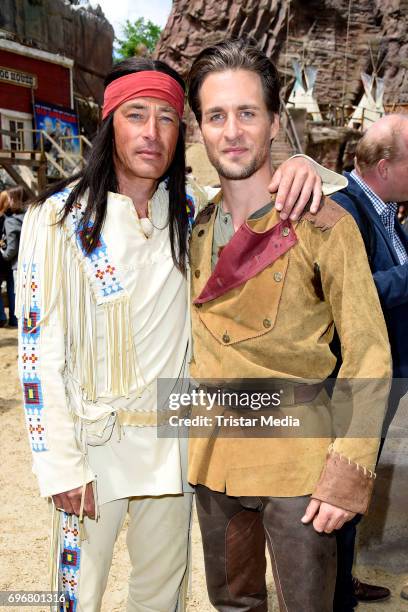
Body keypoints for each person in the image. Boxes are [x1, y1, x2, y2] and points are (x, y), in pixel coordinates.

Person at [16, 56, 336, 612]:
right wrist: (60, 464)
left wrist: (301, 161)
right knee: (75, 597)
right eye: (135, 115)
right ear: (109, 123)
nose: (151, 132)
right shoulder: (56, 220)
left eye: (166, 118)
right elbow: (37, 353)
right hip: (93, 447)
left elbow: (257, 186)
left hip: (172, 441)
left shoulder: (189, 212)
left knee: (162, 594)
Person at [185, 38, 392, 612]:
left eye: (247, 113)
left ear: (275, 123)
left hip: (298, 462)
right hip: (212, 461)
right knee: (234, 606)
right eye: (216, 116)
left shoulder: (324, 222)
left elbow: (370, 352)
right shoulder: (194, 229)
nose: (232, 131)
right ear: (200, 128)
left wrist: (348, 469)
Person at [330, 113, 408, 609]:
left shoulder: (385, 213)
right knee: (343, 486)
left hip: (382, 379)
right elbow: (350, 294)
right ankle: (335, 595)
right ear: (384, 166)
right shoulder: (345, 211)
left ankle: (343, 579)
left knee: (357, 489)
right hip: (354, 383)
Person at [0, 187, 25, 327]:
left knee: (15, 290)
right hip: (29, 261)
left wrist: (4, 255)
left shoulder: (10, 221)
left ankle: (13, 319)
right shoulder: (28, 216)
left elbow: (12, 248)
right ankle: (17, 320)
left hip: (14, 262)